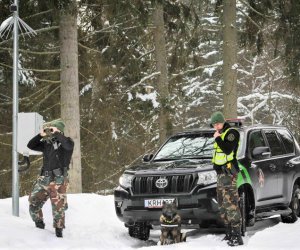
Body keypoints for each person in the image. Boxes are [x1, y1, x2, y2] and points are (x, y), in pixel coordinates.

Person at [27, 119, 74, 238]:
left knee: (58, 209)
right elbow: (30, 145)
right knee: (33, 201)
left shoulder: (67, 143)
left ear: (59, 130)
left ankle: (59, 233)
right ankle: (39, 226)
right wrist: (40, 135)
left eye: (52, 129)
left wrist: (57, 133)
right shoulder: (46, 144)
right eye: (50, 129)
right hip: (45, 179)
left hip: (58, 180)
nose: (50, 131)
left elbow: (68, 146)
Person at [210, 111, 243, 246]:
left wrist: (217, 138)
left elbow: (228, 150)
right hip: (220, 175)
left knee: (231, 204)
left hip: (229, 174)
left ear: (223, 122)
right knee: (222, 204)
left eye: (218, 124)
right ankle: (229, 232)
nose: (216, 127)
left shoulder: (232, 133)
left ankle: (237, 235)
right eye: (214, 125)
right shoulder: (220, 133)